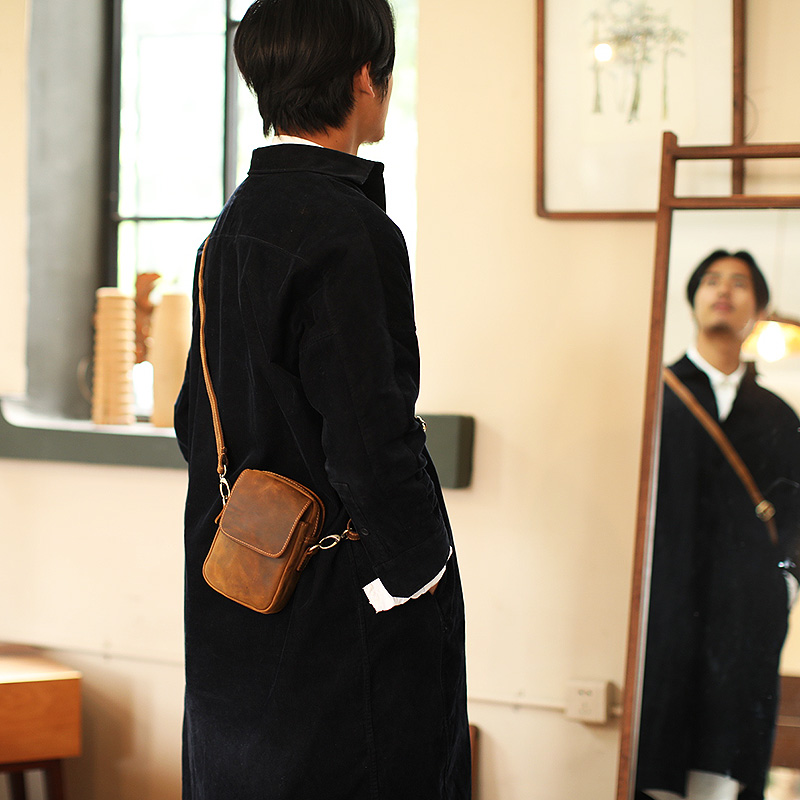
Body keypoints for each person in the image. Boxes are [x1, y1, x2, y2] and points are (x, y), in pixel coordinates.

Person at [173, 1, 471, 798]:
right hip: (345, 615)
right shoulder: (350, 229)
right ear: (365, 78)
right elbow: (371, 444)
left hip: (238, 586)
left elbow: (190, 421)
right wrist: (418, 576)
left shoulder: (226, 229)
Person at [636, 250, 800, 800]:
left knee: (727, 763)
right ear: (693, 300)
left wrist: (785, 583)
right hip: (664, 612)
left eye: (739, 283)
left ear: (759, 309)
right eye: (711, 280)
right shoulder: (656, 395)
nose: (723, 290)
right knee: (656, 756)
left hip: (746, 620)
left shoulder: (778, 416)